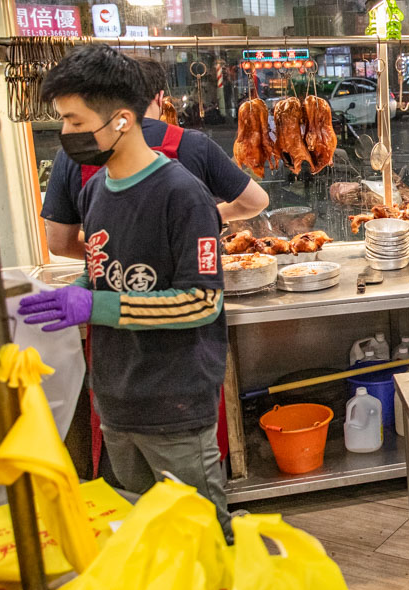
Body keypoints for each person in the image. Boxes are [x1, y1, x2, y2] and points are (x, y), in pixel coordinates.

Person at [17, 44, 234, 539]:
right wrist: (71, 292)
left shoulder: (182, 194)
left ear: (120, 120)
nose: (66, 135)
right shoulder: (95, 191)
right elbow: (104, 273)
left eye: (74, 121)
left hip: (175, 404)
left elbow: (202, 302)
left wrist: (97, 304)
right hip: (114, 399)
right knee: (141, 532)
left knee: (200, 534)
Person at [41, 55, 268, 259]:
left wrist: (115, 257)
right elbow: (256, 201)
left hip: (114, 296)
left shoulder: (73, 155)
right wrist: (215, 214)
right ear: (160, 98)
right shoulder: (192, 144)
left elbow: (60, 244)